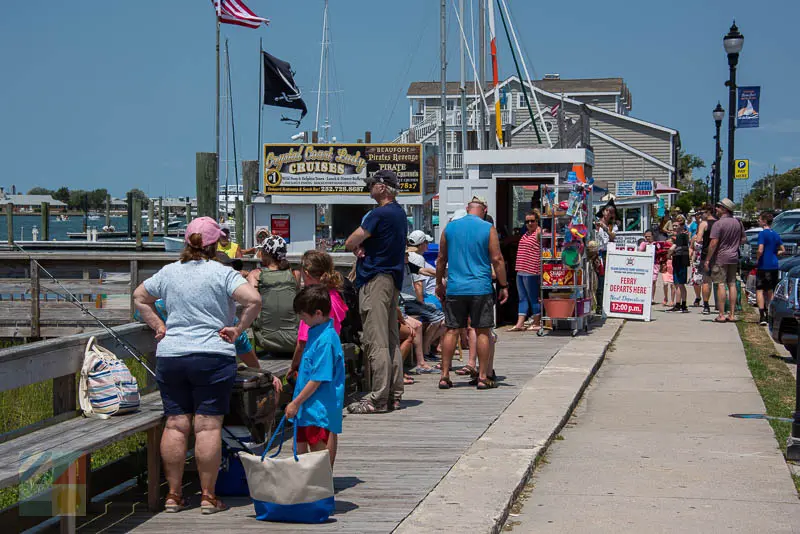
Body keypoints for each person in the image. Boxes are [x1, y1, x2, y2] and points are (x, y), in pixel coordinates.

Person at [132, 216, 262, 515]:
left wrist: (159, 326)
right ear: (216, 243)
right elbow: (253, 300)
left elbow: (140, 297)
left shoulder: (168, 272)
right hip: (212, 356)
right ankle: (208, 496)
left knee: (176, 424)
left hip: (172, 355)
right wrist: (237, 330)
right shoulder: (223, 273)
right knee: (207, 426)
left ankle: (174, 496)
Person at [344, 169, 407, 414]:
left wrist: (357, 248)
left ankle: (377, 398)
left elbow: (350, 241)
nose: (369, 187)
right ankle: (394, 393)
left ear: (382, 187)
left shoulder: (378, 214)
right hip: (392, 279)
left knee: (376, 341)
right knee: (390, 339)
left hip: (375, 280)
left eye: (372, 184)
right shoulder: (400, 213)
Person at [436, 197, 509, 390]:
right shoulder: (488, 228)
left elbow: (441, 259)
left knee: (452, 330)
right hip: (480, 287)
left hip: (455, 287)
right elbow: (497, 258)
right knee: (482, 330)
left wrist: (438, 284)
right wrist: (503, 285)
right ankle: (483, 376)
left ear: (468, 209)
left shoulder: (450, 228)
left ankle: (444, 376)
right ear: (484, 210)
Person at [285, 285, 345, 468]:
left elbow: (319, 377)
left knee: (317, 448)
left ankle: (321, 486)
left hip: (319, 407)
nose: (302, 321)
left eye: (304, 316)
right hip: (308, 406)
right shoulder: (316, 333)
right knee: (301, 447)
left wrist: (295, 403)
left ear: (318, 313)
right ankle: (306, 486)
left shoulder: (326, 339)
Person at [247, 235, 300, 354]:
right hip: (294, 341)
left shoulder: (256, 275)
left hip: (265, 340)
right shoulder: (294, 274)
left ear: (266, 254)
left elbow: (251, 302)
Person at [704, 198, 746, 323]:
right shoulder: (738, 223)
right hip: (733, 257)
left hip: (720, 257)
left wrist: (707, 259)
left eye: (718, 207)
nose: (716, 209)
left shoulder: (718, 224)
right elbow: (743, 239)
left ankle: (721, 314)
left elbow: (713, 243)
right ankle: (732, 314)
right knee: (732, 283)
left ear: (724, 209)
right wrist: (733, 245)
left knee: (720, 284)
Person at [509, 210, 542, 331]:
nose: (529, 223)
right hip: (521, 269)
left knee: (533, 297)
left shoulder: (539, 233)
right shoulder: (526, 234)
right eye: (527, 221)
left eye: (532, 221)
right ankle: (520, 323)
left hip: (532, 270)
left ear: (537, 221)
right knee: (522, 297)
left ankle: (537, 321)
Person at [755, 211, 785, 325]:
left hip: (763, 265)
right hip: (774, 265)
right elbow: (783, 249)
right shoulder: (776, 234)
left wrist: (758, 257)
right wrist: (775, 253)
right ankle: (770, 314)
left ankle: (762, 315)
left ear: (764, 221)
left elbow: (760, 249)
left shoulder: (762, 234)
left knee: (759, 289)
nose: (758, 221)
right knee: (770, 290)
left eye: (759, 219)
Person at [696, 204, 717, 315]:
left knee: (706, 281)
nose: (701, 214)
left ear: (708, 212)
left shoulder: (704, 224)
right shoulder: (718, 223)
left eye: (702, 212)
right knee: (719, 282)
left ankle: (706, 305)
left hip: (706, 253)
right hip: (718, 254)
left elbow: (699, 239)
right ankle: (720, 306)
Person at [667, 221, 690, 312]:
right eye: (673, 226)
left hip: (680, 262)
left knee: (678, 284)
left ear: (681, 226)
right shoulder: (683, 236)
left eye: (676, 226)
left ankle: (678, 305)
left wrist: (668, 254)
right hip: (682, 261)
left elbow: (673, 248)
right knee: (681, 284)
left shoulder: (681, 236)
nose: (674, 227)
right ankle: (683, 305)